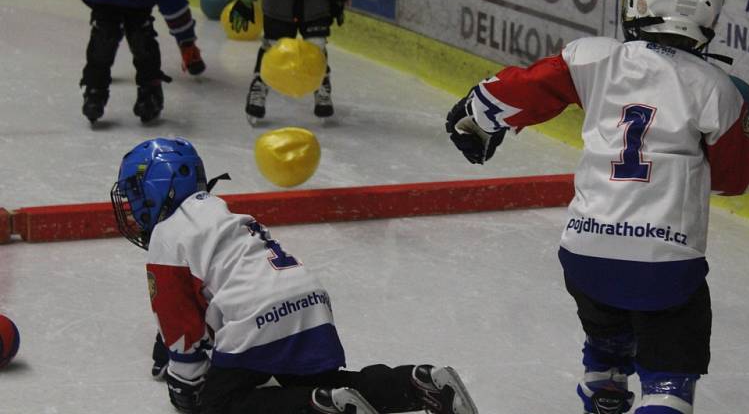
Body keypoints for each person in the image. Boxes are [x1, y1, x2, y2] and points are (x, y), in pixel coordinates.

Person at [444, 0, 749, 414]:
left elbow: (523, 87)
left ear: (637, 0)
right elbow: (732, 180)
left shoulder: (593, 57)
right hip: (665, 266)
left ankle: (604, 389)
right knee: (668, 380)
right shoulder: (715, 89)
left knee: (608, 338)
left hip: (586, 256)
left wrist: (477, 117)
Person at [111, 137, 479, 414]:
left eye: (137, 194)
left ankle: (319, 407)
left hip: (257, 315)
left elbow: (181, 325)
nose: (133, 208)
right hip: (309, 300)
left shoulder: (168, 233)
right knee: (331, 384)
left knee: (219, 405)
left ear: (162, 186)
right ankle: (420, 383)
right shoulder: (220, 214)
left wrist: (184, 382)